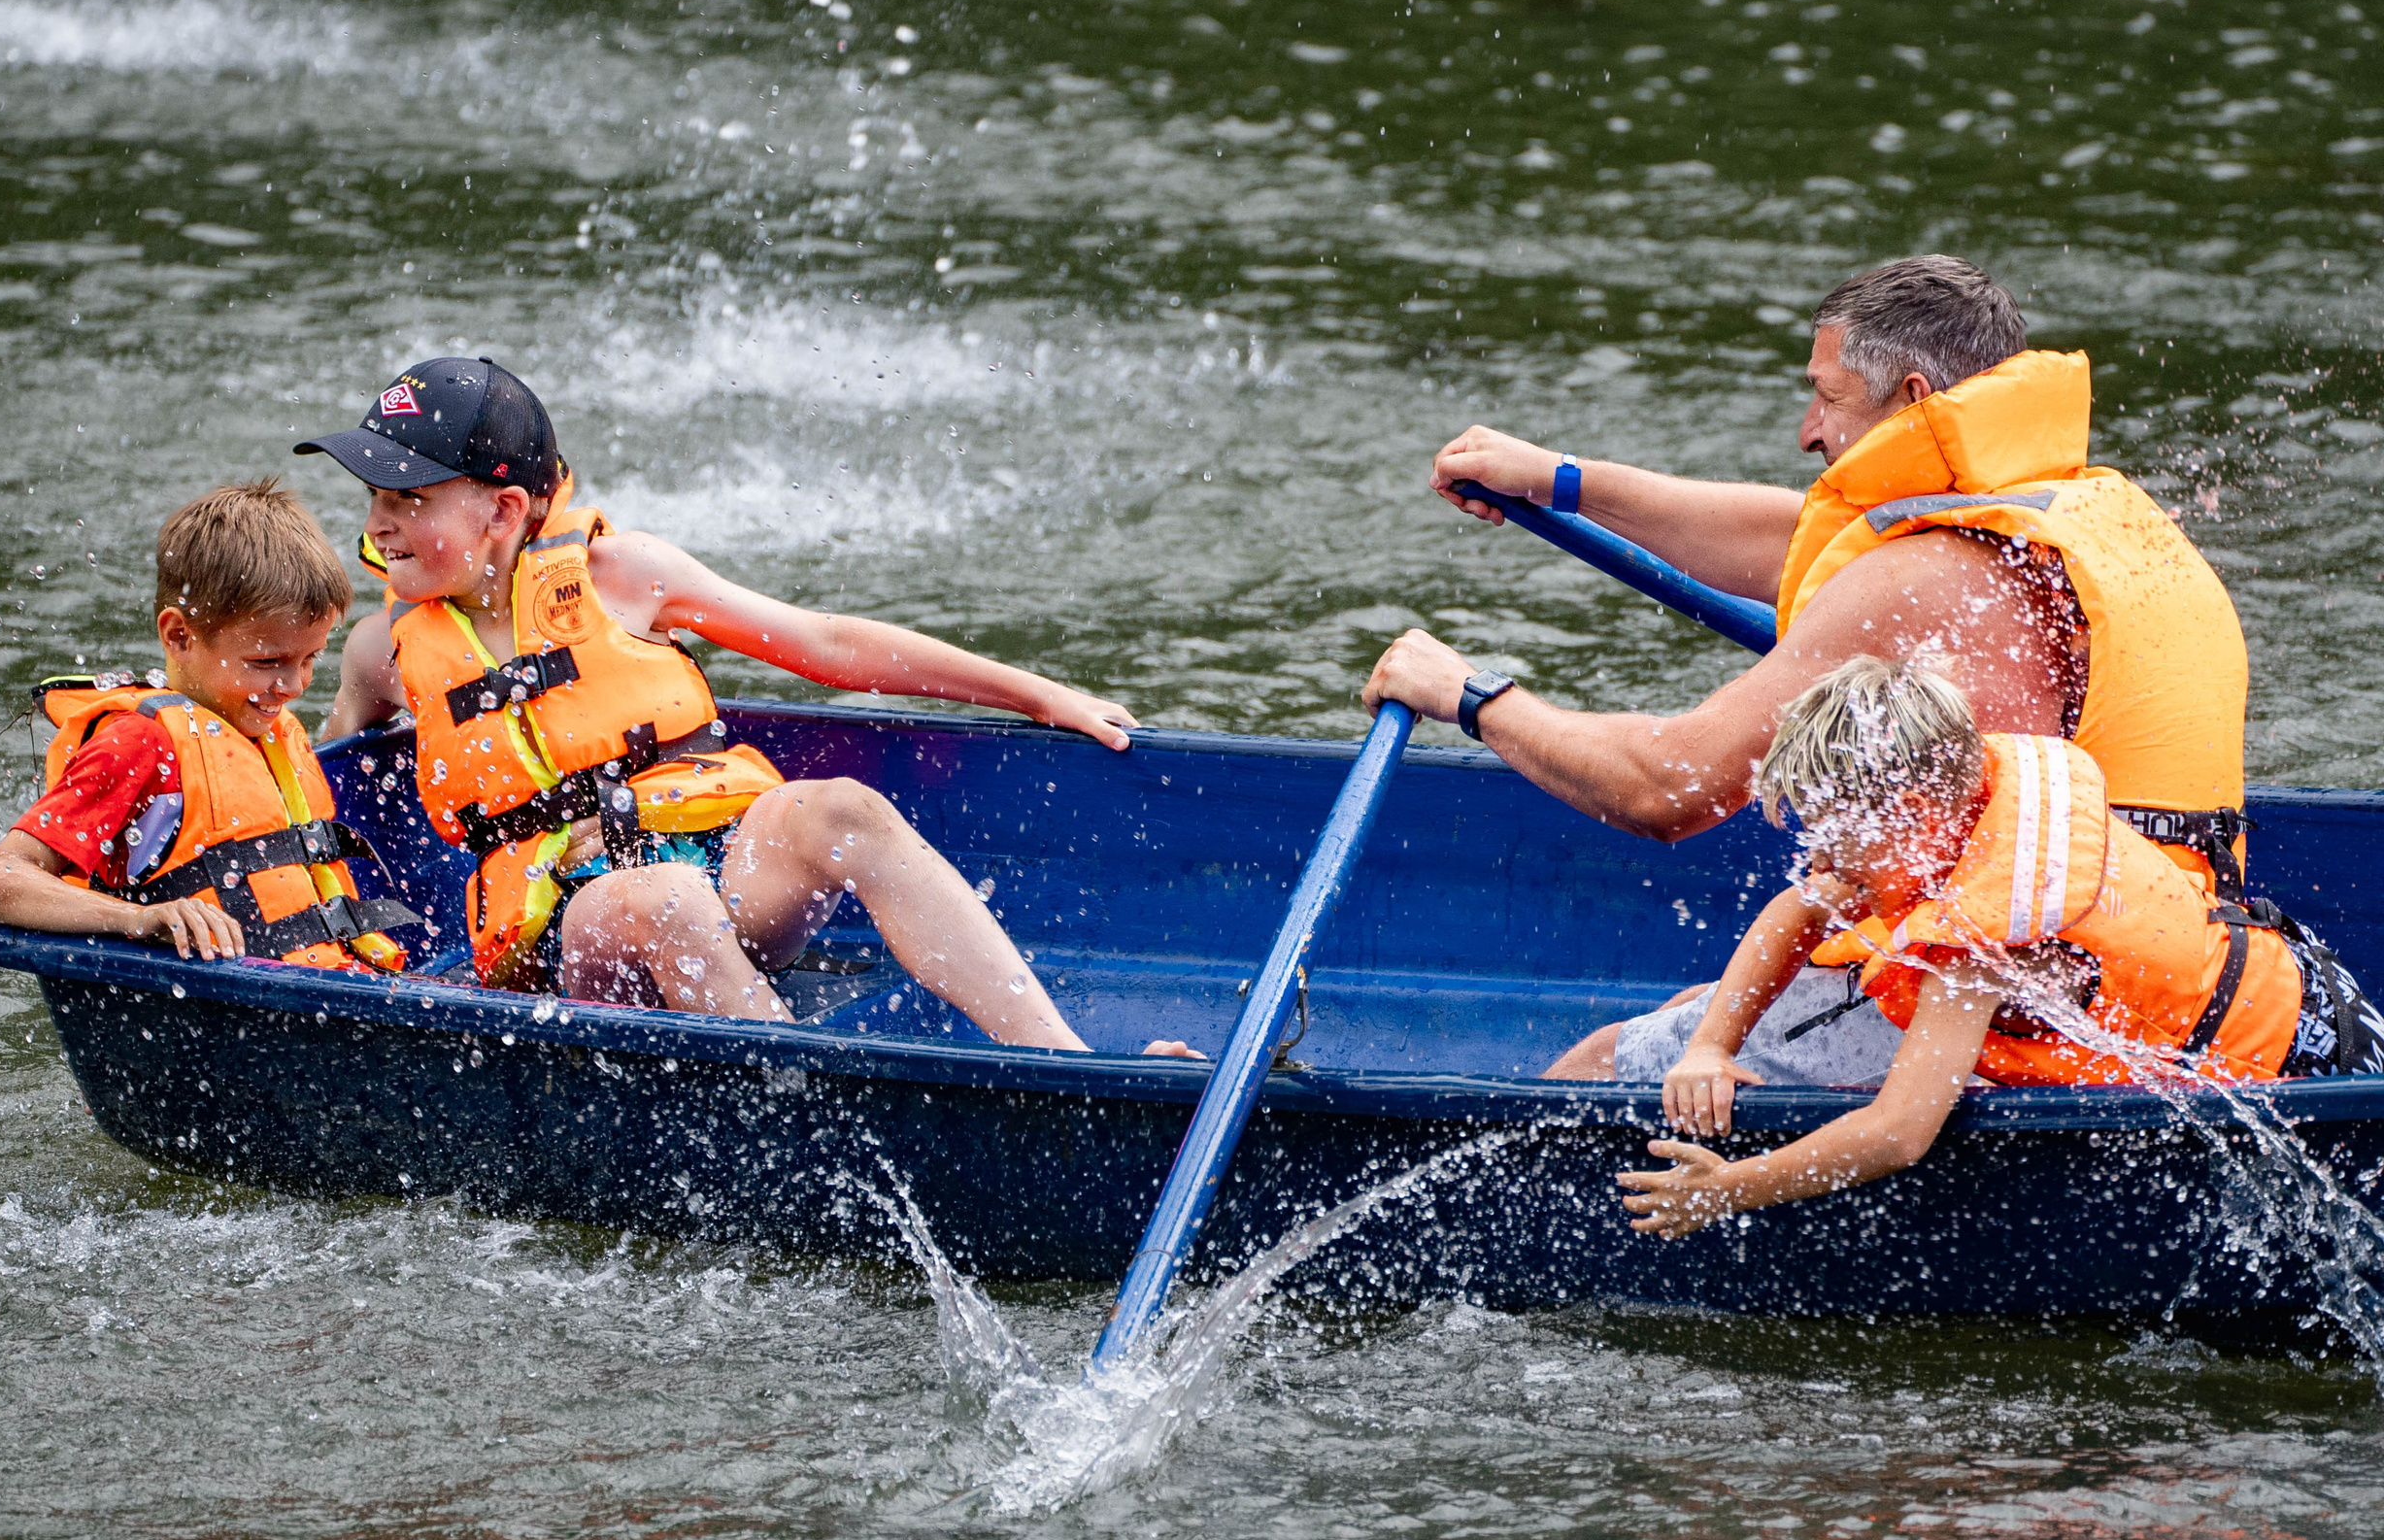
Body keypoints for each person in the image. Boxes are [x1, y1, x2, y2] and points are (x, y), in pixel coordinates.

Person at [1360, 253, 2257, 1088]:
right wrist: (1559, 479)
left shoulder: (1926, 577)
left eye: (1826, 397)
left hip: (2053, 989)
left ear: (1909, 395)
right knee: (1694, 1010)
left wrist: (1467, 694)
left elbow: (1666, 788)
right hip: (2168, 936)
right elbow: (1803, 541)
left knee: (1601, 1065)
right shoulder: (2075, 509)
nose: (1807, 431)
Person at [304, 355, 1195, 1056]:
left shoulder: (620, 575)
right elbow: (317, 788)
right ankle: (810, 1117)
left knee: (840, 808)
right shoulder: (385, 650)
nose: (377, 526)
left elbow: (831, 645)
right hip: (565, 928)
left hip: (713, 863)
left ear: (503, 510)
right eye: (374, 499)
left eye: (406, 501)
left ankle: (1058, 1063)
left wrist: (1042, 694)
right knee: (664, 898)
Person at [1613, 656, 2384, 1240]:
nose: (1818, 855)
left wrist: (1728, 1188)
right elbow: (1805, 904)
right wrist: (1711, 1045)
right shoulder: (1973, 790)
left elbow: (1899, 1132)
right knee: (1693, 1010)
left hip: (2297, 1086)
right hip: (2320, 992)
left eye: (1830, 831)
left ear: (1910, 811)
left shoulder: (1981, 945)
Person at [0, 481, 417, 968]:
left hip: (333, 985)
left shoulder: (269, 728)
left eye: (311, 657)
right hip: (237, 1004)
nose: (295, 685)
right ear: (179, 634)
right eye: (267, 661)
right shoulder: (140, 742)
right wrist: (141, 919)